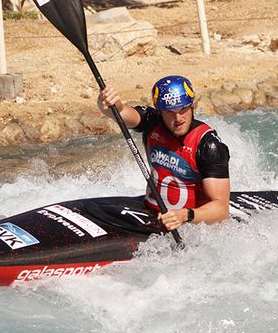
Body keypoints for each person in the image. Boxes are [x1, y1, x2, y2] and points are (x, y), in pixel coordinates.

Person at [97, 75, 231, 231]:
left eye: (183, 109)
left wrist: (185, 216)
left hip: (190, 224)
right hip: (150, 212)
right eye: (169, 112)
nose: (178, 118)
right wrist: (108, 106)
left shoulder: (208, 145)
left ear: (192, 106)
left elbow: (221, 210)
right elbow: (122, 113)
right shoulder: (152, 121)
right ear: (160, 111)